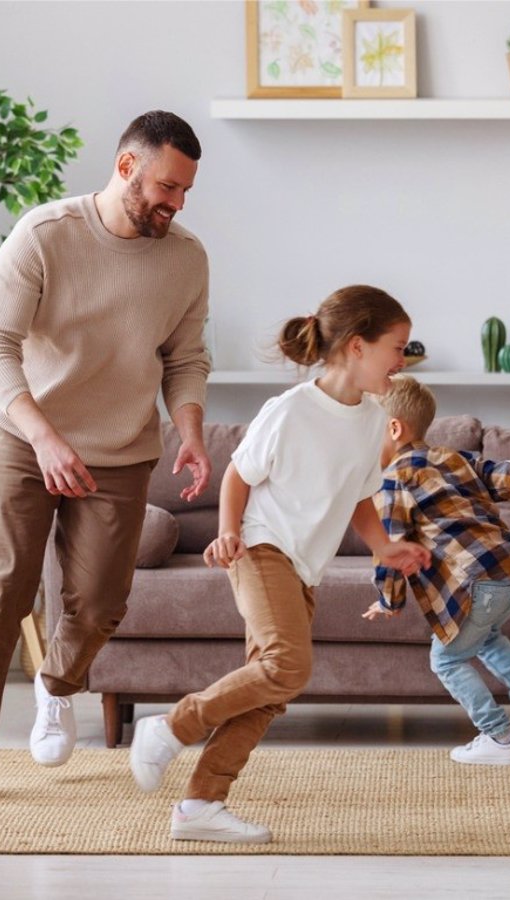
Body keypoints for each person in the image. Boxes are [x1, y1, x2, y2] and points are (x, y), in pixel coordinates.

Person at [0, 111, 213, 805]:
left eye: (184, 192)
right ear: (126, 167)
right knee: (2, 588)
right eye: (166, 187)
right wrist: (45, 437)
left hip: (119, 450)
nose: (175, 203)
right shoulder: (44, 234)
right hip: (26, 440)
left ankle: (56, 686)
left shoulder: (185, 258)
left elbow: (185, 359)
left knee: (100, 602)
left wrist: (191, 430)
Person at [127, 286, 431, 843]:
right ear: (358, 347)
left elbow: (361, 496)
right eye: (398, 346)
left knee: (271, 691)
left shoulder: (370, 420)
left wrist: (386, 547)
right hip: (263, 549)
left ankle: (200, 806)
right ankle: (172, 726)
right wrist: (227, 535)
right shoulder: (290, 410)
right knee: (289, 666)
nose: (404, 359)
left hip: (303, 566)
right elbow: (240, 475)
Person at [363, 376, 510, 765]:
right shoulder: (453, 458)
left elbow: (390, 549)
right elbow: (505, 473)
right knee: (485, 638)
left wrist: (389, 600)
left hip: (477, 582)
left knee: (447, 659)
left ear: (393, 428)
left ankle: (499, 738)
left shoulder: (394, 480)